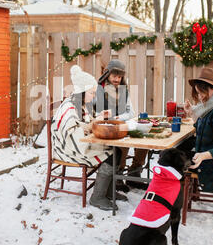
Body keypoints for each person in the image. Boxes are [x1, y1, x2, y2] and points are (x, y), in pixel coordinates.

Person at [51, 65, 126, 211]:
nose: (93, 95)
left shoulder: (81, 104)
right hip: (69, 148)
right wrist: (93, 124)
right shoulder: (69, 107)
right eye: (91, 92)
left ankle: (108, 192)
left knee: (117, 150)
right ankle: (97, 197)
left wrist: (97, 118)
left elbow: (84, 124)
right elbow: (72, 133)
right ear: (82, 91)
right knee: (112, 153)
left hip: (78, 142)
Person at [95, 59, 148, 190]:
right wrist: (109, 116)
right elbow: (95, 113)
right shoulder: (99, 89)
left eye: (120, 76)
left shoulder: (123, 90)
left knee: (143, 136)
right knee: (122, 142)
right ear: (107, 74)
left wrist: (119, 117)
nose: (117, 79)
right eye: (114, 76)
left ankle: (135, 172)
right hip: (105, 128)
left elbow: (131, 112)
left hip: (121, 123)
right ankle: (118, 175)